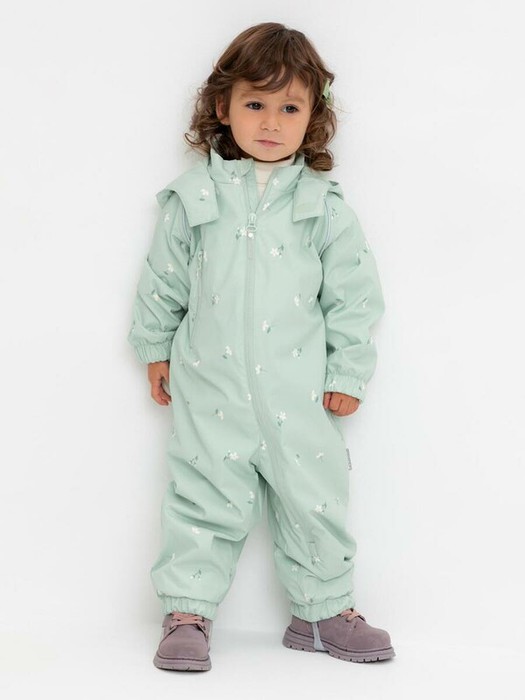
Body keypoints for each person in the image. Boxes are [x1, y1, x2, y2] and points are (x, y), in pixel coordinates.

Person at [127, 21, 395, 672]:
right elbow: (163, 278)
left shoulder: (322, 206)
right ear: (222, 107)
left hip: (298, 393)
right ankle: (187, 612)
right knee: (200, 495)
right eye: (255, 103)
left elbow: (354, 297)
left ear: (313, 118)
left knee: (314, 497)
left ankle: (321, 611)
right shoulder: (193, 198)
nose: (271, 122)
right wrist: (154, 346)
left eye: (290, 108)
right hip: (209, 386)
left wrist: (348, 373)